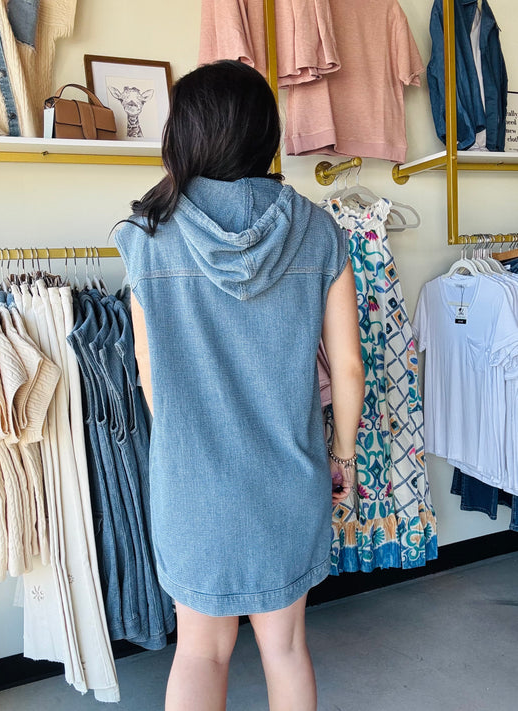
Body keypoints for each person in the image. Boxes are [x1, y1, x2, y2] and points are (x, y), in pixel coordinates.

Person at [114, 60, 364, 711]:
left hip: (192, 486)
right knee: (286, 649)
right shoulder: (318, 229)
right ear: (264, 132)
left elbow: (150, 373)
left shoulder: (146, 234)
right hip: (290, 477)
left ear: (183, 133)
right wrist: (341, 456)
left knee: (200, 652)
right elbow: (347, 368)